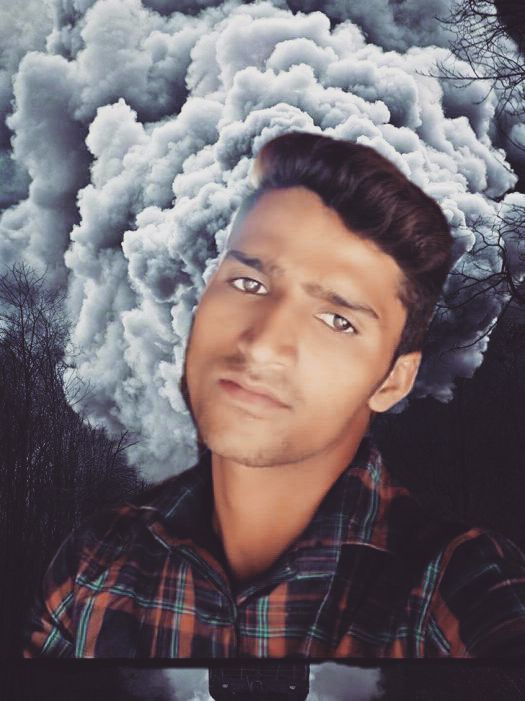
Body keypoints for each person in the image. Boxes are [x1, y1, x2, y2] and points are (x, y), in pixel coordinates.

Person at [24, 131, 525, 658]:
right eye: (249, 284)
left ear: (393, 380)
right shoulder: (93, 564)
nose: (263, 345)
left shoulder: (461, 582)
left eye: (337, 320)